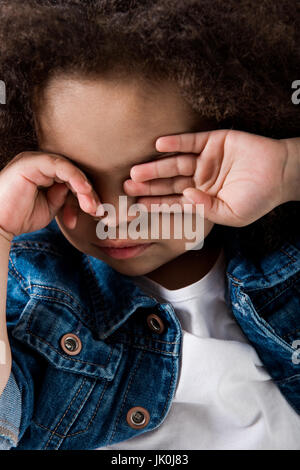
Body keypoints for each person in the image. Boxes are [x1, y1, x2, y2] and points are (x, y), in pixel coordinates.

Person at [0, 0, 299, 450]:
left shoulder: (286, 254)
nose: (114, 216)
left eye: (156, 176)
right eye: (72, 176)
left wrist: (286, 170)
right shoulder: (32, 293)